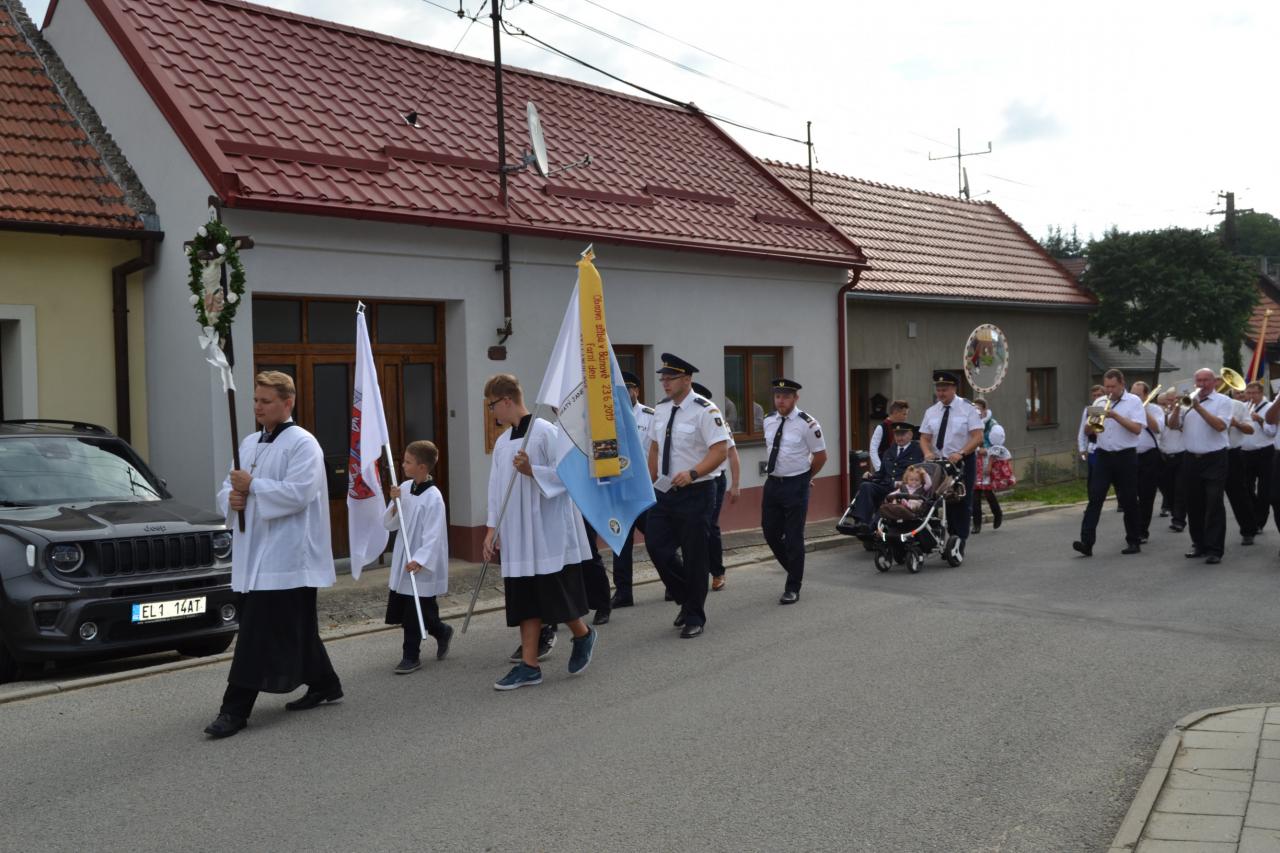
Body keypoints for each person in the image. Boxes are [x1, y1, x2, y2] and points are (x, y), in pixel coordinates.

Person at [204, 371, 342, 739]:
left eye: (266, 401)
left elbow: (299, 493)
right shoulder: (249, 443)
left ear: (287, 402)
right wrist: (232, 499)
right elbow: (228, 487)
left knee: (256, 634)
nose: (258, 407)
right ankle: (325, 682)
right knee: (296, 629)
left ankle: (234, 710)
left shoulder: (304, 444)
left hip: (287, 557)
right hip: (253, 554)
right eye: (255, 400)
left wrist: (253, 487)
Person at [483, 374, 598, 690]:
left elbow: (571, 476)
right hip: (517, 531)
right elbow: (495, 490)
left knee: (552, 594)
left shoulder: (546, 432)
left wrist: (533, 471)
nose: (492, 412)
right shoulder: (503, 443)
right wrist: (491, 529)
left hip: (546, 528)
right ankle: (530, 666)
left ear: (507, 400)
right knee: (525, 598)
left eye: (492, 405)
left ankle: (583, 634)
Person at [645, 353, 728, 639]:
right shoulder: (661, 409)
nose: (665, 383)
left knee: (695, 557)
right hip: (664, 491)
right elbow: (655, 446)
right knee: (657, 547)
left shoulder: (705, 410)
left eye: (671, 378)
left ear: (687, 379)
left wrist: (693, 473)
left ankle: (694, 615)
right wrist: (652, 475)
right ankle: (686, 597)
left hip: (697, 492)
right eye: (663, 378)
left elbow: (720, 451)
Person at [383, 440, 452, 675]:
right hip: (404, 556)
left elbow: (434, 534)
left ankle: (410, 656)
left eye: (408, 462)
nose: (403, 465)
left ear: (422, 467)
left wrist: (421, 559)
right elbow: (391, 523)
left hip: (421, 562)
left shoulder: (434, 497)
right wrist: (395, 503)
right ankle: (441, 631)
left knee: (414, 611)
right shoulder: (404, 487)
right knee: (419, 609)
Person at [760, 378, 827, 605]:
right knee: (770, 531)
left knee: (793, 536)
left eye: (786, 396)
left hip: (796, 484)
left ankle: (792, 586)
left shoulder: (808, 424)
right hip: (772, 483)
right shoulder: (768, 420)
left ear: (795, 398)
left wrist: (806, 478)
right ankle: (794, 568)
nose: (781, 401)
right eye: (777, 396)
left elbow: (821, 456)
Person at [1072, 368, 1144, 557]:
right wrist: (1090, 425)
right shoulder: (1099, 402)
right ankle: (1086, 542)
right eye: (1107, 386)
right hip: (1104, 455)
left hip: (1125, 456)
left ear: (1122, 384)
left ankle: (1134, 540)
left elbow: (1137, 429)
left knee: (1129, 499)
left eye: (1113, 386)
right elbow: (1090, 431)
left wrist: (1115, 416)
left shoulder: (1134, 402)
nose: (1109, 390)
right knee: (1095, 498)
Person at [1167, 368, 1233, 564]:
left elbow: (1220, 426)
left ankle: (1215, 549)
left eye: (1206, 380)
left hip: (1215, 458)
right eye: (1199, 381)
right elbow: (1172, 425)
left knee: (1214, 503)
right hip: (1190, 458)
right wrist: (1177, 407)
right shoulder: (1186, 402)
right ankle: (1199, 544)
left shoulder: (1223, 401)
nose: (1202, 384)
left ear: (1214, 382)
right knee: (1193, 503)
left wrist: (1197, 407)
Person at [918, 371, 983, 562]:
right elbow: (924, 438)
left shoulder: (968, 409)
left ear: (954, 388)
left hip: (962, 461)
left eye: (944, 389)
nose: (940, 393)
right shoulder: (931, 411)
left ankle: (958, 541)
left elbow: (977, 436)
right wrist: (927, 453)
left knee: (960, 501)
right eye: (938, 390)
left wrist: (961, 452)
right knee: (934, 501)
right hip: (938, 464)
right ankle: (935, 539)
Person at [609, 372, 654, 609]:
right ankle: (623, 592)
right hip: (620, 490)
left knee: (658, 539)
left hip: (644, 490)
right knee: (620, 544)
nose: (624, 393)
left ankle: (673, 581)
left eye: (628, 388)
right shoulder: (608, 418)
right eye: (619, 389)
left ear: (636, 390)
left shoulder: (650, 417)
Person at [693, 382, 740, 592]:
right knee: (689, 527)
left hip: (714, 480)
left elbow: (732, 454)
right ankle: (694, 572)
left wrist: (736, 484)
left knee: (710, 526)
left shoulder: (717, 422)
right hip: (690, 481)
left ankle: (717, 572)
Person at [848, 422, 923, 531]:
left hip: (904, 489)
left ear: (910, 435)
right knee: (866, 486)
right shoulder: (889, 451)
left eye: (902, 434)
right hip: (886, 485)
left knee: (891, 497)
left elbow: (918, 474)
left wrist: (904, 482)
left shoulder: (918, 451)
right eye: (897, 434)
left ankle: (872, 527)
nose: (899, 438)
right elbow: (882, 473)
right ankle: (861, 523)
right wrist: (871, 476)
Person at [1130, 380, 1163, 543]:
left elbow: (1157, 428)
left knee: (1146, 495)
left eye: (1137, 395)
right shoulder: (1127, 408)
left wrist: (1142, 409)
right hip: (1130, 455)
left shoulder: (1155, 409)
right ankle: (1132, 529)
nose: (1134, 398)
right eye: (1132, 394)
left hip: (1149, 456)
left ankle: (1142, 531)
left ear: (1146, 395)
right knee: (1129, 495)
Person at [1240, 382, 1274, 539]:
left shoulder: (1270, 407)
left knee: (1264, 490)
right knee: (1246, 488)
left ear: (1261, 393)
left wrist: (1260, 420)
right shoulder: (1243, 407)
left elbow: (1271, 433)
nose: (1251, 396)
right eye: (1249, 393)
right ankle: (1253, 514)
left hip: (1265, 452)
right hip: (1246, 453)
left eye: (1254, 393)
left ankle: (1260, 522)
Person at [972, 398, 1011, 533]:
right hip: (974, 461)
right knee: (975, 493)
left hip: (988, 461)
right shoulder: (971, 423)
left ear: (984, 409)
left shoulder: (993, 425)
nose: (976, 412)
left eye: (978, 409)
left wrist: (989, 463)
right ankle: (976, 524)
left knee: (988, 491)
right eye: (974, 409)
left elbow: (997, 447)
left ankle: (997, 513)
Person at [1158, 389, 1187, 531]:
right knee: (1166, 488)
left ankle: (1178, 520)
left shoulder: (1185, 411)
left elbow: (1177, 425)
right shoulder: (1158, 413)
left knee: (1180, 489)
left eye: (1173, 400)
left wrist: (1176, 410)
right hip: (1164, 456)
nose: (1170, 403)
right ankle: (1173, 511)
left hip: (1181, 455)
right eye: (1167, 401)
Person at [868, 400, 910, 474]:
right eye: (904, 414)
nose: (906, 417)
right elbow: (873, 450)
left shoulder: (902, 428)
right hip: (884, 469)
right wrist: (879, 468)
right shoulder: (881, 428)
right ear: (895, 413)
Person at [1078, 384, 1105, 483]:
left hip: (1108, 448)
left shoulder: (1110, 407)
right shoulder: (1090, 409)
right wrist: (1082, 448)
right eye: (1094, 395)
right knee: (1094, 478)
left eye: (1099, 395)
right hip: (1093, 447)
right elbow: (1083, 430)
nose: (1097, 398)